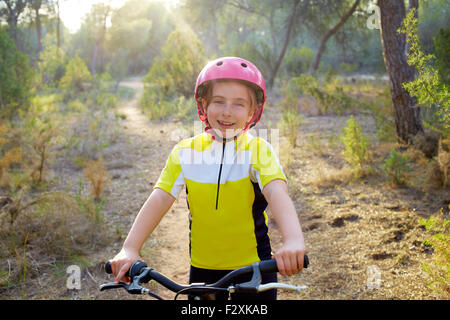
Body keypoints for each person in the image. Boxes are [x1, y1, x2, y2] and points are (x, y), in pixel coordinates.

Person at [109, 57, 306, 300]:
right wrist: (129, 248)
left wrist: (293, 239)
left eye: (238, 104)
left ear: (253, 112)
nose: (226, 111)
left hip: (255, 269)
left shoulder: (258, 150)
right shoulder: (184, 152)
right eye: (218, 101)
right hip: (202, 272)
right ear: (203, 104)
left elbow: (277, 192)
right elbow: (160, 198)